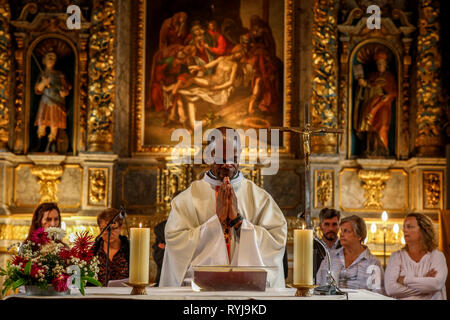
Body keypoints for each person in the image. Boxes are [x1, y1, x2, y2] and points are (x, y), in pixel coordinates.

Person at [160, 127, 287, 288]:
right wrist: (216, 222)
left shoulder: (260, 198)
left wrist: (239, 222)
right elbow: (175, 241)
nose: (228, 164)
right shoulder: (187, 199)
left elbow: (277, 239)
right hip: (200, 291)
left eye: (233, 157)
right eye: (221, 158)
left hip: (248, 289)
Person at [384, 213, 448, 300]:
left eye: (410, 227)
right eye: (404, 227)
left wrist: (405, 280)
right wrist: (426, 283)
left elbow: (436, 284)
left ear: (423, 230)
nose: (404, 230)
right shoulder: (396, 256)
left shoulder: (437, 256)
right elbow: (390, 289)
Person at [316, 215, 384, 293]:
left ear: (359, 236)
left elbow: (378, 295)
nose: (341, 234)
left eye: (346, 231)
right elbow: (318, 286)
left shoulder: (373, 263)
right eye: (341, 230)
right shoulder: (330, 257)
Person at [353, 49, 397, 156]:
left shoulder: (389, 77)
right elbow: (367, 87)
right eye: (378, 64)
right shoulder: (372, 76)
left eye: (381, 63)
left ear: (386, 64)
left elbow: (395, 92)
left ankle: (382, 151)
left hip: (383, 105)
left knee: (382, 126)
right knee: (369, 128)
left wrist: (388, 96)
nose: (379, 65)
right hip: (369, 103)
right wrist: (363, 84)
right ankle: (370, 150)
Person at [34, 51, 72, 153]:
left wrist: (64, 92)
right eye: (49, 57)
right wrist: (43, 83)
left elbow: (67, 88)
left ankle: (51, 144)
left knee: (54, 124)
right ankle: (40, 144)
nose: (51, 59)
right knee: (42, 122)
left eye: (53, 58)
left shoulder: (60, 74)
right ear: (44, 60)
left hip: (57, 102)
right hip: (46, 101)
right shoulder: (42, 74)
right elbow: (38, 89)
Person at [92, 208, 130, 286]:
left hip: (124, 295)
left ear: (120, 228)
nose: (108, 233)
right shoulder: (94, 251)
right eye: (104, 229)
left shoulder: (129, 249)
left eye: (113, 228)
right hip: (98, 295)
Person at [313, 208, 342, 283]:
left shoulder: (345, 247)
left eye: (334, 224)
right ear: (320, 226)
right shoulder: (313, 248)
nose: (330, 228)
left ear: (339, 226)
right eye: (326, 224)